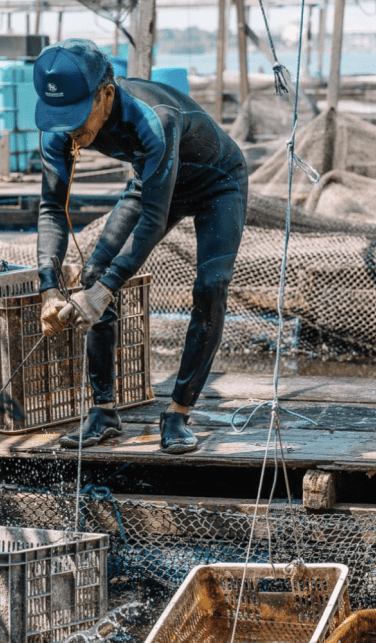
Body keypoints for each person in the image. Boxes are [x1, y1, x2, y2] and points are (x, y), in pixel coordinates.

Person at [33, 38, 248, 455]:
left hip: (216, 182)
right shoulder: (60, 131)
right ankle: (104, 413)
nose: (71, 131)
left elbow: (152, 218)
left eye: (77, 117)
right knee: (92, 273)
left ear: (106, 94)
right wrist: (49, 287)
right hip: (151, 180)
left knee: (210, 287)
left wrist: (104, 292)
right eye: (59, 118)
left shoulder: (153, 117)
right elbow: (51, 208)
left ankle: (178, 413)